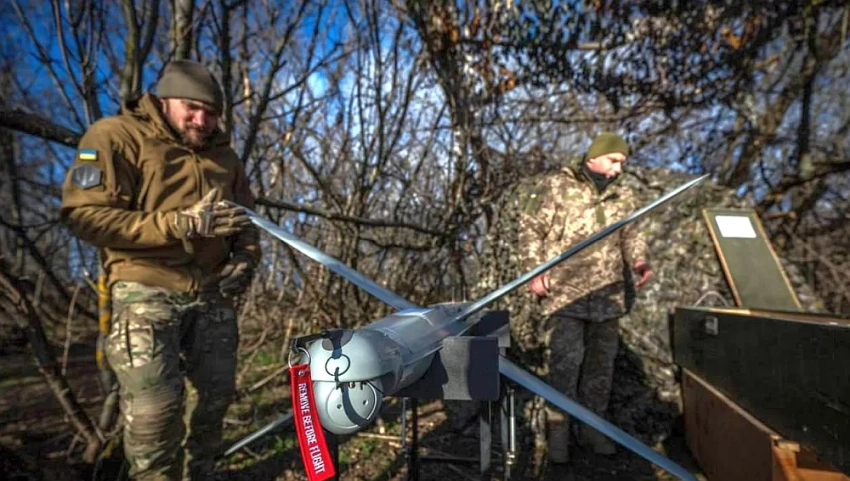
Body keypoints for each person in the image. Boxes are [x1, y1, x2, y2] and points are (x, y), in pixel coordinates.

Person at [60, 60, 261, 480]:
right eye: (192, 108)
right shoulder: (115, 136)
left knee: (215, 400)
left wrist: (245, 259)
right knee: (156, 412)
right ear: (164, 100)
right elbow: (84, 216)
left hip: (213, 294)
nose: (202, 120)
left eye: (211, 113)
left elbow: (247, 222)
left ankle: (203, 473)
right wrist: (177, 225)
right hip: (144, 288)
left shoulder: (225, 157)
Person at [517, 132, 651, 464]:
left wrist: (639, 261)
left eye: (622, 163)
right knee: (565, 363)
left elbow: (632, 234)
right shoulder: (557, 187)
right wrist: (534, 270)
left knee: (601, 368)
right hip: (566, 293)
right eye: (614, 160)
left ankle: (593, 429)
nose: (619, 169)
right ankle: (558, 433)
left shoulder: (624, 195)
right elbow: (530, 228)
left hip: (608, 294)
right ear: (594, 157)